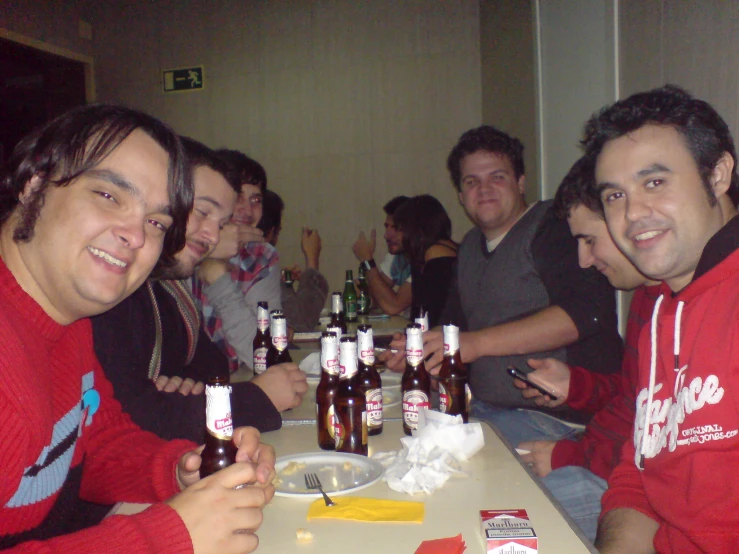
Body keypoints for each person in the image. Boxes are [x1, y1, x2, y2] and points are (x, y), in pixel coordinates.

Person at [0, 105, 274, 552]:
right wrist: (167, 537)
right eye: (109, 195)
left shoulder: (68, 322)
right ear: (34, 186)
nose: (137, 237)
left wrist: (181, 467)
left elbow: (96, 445)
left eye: (156, 222)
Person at [385, 125, 623, 446]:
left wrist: (477, 343)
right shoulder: (468, 247)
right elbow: (453, 330)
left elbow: (587, 313)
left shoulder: (553, 225)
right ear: (460, 196)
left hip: (557, 422)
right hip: (486, 410)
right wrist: (420, 352)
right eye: (471, 182)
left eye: (497, 177)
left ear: (521, 182)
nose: (484, 189)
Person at [582, 85, 739, 554]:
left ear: (717, 175)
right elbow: (638, 473)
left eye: (654, 182)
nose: (631, 214)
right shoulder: (661, 311)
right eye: (614, 195)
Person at [92, 137, 307, 445]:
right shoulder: (115, 287)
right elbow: (132, 419)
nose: (211, 235)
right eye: (203, 211)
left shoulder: (168, 282)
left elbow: (212, 362)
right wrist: (256, 398)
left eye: (220, 223)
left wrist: (186, 384)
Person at [505, 155, 659, 541]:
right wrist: (577, 385)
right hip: (595, 453)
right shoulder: (649, 300)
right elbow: (634, 402)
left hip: (620, 479)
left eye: (589, 240)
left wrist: (568, 455)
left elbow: (656, 457)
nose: (584, 261)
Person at [192, 151, 281, 371]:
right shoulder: (176, 248)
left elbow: (262, 357)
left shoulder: (261, 256)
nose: (248, 210)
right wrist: (205, 254)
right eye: (238, 197)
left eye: (256, 199)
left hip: (232, 383)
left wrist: (217, 278)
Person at [258, 189, 329, 332]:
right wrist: (312, 259)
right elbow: (301, 323)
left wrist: (283, 284)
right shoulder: (261, 266)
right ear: (273, 232)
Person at [391, 194, 457, 327]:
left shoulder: (436, 253)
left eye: (400, 229)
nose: (396, 235)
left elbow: (430, 312)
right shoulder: (443, 248)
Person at [352, 195, 413, 316]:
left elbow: (394, 306)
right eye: (387, 227)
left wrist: (367, 260)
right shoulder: (396, 256)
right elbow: (377, 295)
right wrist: (362, 291)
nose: (386, 235)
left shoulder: (424, 259)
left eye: (395, 228)